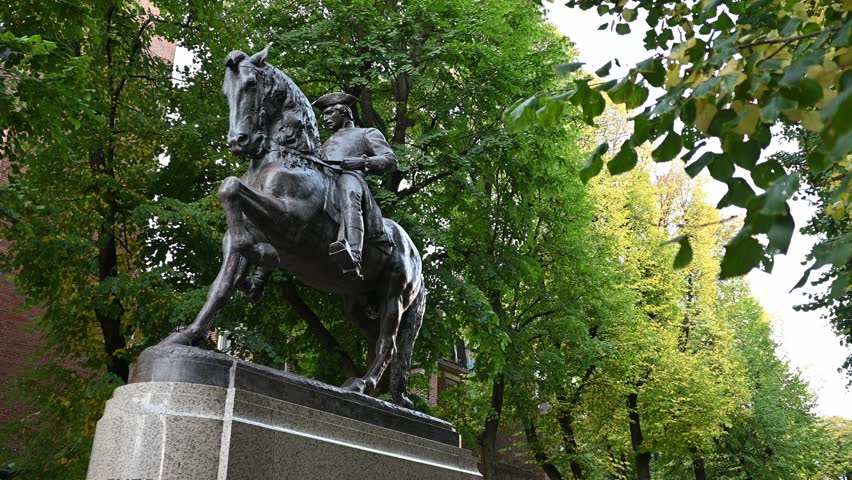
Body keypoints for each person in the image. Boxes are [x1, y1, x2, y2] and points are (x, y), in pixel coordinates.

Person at [312, 92, 398, 280]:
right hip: (325, 180)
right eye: (323, 115)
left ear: (344, 112)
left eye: (329, 113)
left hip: (350, 177)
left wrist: (361, 162)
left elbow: (391, 161)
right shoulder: (323, 144)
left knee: (349, 191)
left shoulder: (366, 133)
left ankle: (354, 254)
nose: (324, 119)